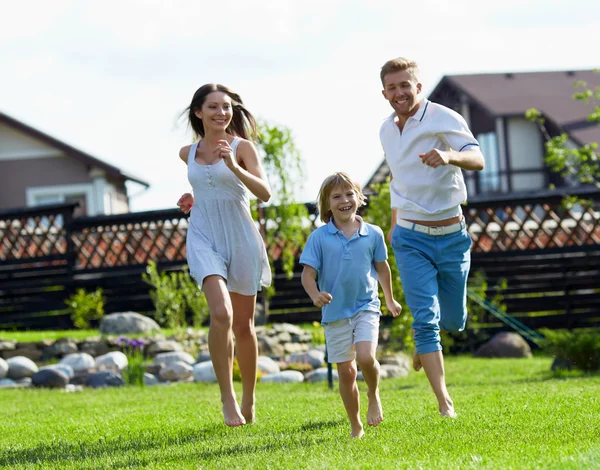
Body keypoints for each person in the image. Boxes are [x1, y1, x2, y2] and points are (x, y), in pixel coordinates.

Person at [379, 57, 485, 418]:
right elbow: (398, 180)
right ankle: (445, 403)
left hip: (452, 236)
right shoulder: (386, 130)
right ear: (384, 93)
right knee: (425, 318)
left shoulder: (444, 117)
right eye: (392, 87)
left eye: (405, 85)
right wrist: (395, 224)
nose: (399, 93)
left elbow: (478, 158)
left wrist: (449, 156)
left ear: (418, 87)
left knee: (452, 320)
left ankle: (426, 342)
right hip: (410, 238)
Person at [176, 83, 272, 427]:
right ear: (198, 112)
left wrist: (233, 165)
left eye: (227, 107)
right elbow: (204, 186)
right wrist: (191, 198)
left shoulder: (241, 147)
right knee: (221, 313)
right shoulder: (187, 152)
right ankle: (227, 399)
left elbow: (264, 193)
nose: (222, 113)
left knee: (244, 327)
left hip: (240, 236)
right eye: (213, 107)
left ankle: (249, 397)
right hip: (203, 235)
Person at [300, 172, 402, 438]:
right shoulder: (319, 238)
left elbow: (382, 268)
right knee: (346, 372)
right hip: (334, 313)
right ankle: (356, 425)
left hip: (366, 305)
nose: (344, 200)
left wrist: (389, 299)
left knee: (366, 357)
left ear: (359, 198)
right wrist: (315, 295)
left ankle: (373, 392)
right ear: (327, 204)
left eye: (349, 194)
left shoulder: (373, 234)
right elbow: (307, 275)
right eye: (337, 196)